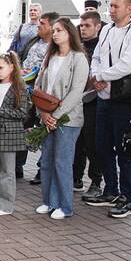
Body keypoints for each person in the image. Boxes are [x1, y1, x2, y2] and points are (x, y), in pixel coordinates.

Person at [84, 0, 131, 219]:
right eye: (110, 6)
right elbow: (97, 57)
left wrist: (102, 76)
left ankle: (126, 196)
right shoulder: (107, 30)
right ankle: (110, 189)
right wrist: (96, 75)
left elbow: (129, 64)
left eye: (116, 6)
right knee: (102, 145)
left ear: (128, 9)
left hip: (124, 98)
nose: (111, 10)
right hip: (104, 97)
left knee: (124, 148)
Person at [33, 18, 90, 220]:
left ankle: (65, 206)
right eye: (54, 30)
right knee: (47, 160)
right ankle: (48, 201)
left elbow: (76, 91)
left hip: (68, 119)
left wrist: (56, 116)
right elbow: (39, 86)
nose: (55, 33)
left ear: (69, 33)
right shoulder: (51, 56)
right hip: (47, 115)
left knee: (62, 161)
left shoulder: (78, 58)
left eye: (60, 30)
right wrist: (43, 113)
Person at [0, 52, 31, 216]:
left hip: (9, 132)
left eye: (1, 68)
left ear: (12, 67)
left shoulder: (19, 87)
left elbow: (23, 112)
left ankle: (5, 205)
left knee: (7, 170)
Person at [18, 11, 58, 184]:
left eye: (42, 24)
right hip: (25, 90)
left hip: (42, 93)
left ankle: (43, 169)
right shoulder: (33, 41)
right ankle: (18, 165)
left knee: (43, 129)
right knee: (22, 126)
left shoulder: (55, 47)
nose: (38, 26)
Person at [75, 10, 105, 196]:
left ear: (97, 26)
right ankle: (75, 177)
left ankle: (95, 180)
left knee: (92, 141)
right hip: (76, 99)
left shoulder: (102, 46)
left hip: (94, 99)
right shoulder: (77, 47)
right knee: (77, 141)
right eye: (81, 26)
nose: (83, 29)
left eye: (87, 26)